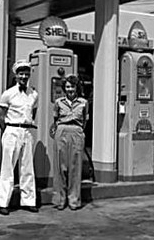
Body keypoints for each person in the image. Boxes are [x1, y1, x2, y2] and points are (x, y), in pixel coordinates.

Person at [0, 60, 39, 216]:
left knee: (27, 168)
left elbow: (33, 112)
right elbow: (0, 117)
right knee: (8, 168)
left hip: (26, 132)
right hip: (11, 130)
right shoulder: (8, 94)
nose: (24, 76)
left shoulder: (33, 94)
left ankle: (28, 201)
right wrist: (7, 131)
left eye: (26, 73)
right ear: (16, 75)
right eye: (21, 73)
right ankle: (4, 203)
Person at [50, 74, 89, 211]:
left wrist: (78, 131)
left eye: (72, 86)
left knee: (75, 167)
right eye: (67, 86)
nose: (70, 89)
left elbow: (85, 121)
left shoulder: (83, 103)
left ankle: (74, 200)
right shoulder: (58, 102)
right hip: (61, 131)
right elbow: (55, 119)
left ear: (76, 87)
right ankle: (59, 200)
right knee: (60, 167)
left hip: (76, 131)